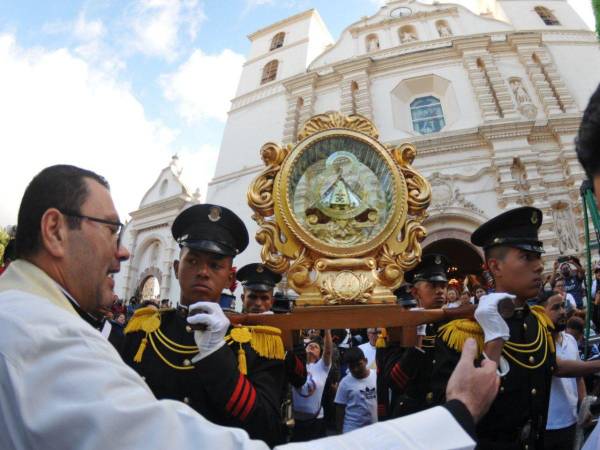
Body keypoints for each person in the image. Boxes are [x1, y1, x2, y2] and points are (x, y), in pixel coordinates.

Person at [0, 164, 502, 450]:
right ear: (53, 231)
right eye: (112, 231)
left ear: (229, 275)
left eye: (214, 263)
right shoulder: (45, 334)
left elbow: (262, 419)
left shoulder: (253, 335)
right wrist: (451, 419)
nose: (125, 250)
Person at [120, 204, 288, 447]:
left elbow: (267, 427)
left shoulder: (257, 343)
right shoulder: (144, 330)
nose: (202, 272)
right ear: (177, 269)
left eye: (215, 265)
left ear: (230, 278)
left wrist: (215, 353)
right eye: (193, 261)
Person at [433, 206, 600, 449]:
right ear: (495, 267)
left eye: (538, 256)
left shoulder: (538, 321)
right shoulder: (464, 333)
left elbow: (552, 367)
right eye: (526, 257)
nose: (539, 266)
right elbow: (450, 417)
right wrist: (494, 338)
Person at [378, 254, 460, 419]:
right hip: (413, 413)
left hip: (446, 412)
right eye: (432, 285)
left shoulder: (457, 327)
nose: (440, 291)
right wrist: (416, 344)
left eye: (443, 286)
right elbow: (395, 382)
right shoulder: (398, 329)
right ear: (415, 292)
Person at [539, 290, 585, 450]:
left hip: (571, 420)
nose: (563, 312)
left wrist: (583, 404)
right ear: (540, 312)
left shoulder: (570, 339)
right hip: (547, 425)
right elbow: (561, 369)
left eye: (563, 306)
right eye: (555, 308)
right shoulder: (538, 343)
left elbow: (578, 375)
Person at [291, 330, 333, 442]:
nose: (312, 347)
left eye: (316, 347)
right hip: (297, 421)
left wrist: (327, 329)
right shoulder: (296, 364)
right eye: (310, 345)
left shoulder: (322, 367)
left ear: (320, 354)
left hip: (316, 421)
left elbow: (328, 351)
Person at [335, 347, 377, 433]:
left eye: (359, 364)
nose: (356, 369)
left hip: (374, 429)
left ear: (366, 361)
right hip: (352, 430)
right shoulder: (345, 382)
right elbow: (340, 408)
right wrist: (339, 433)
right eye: (352, 366)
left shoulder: (376, 376)